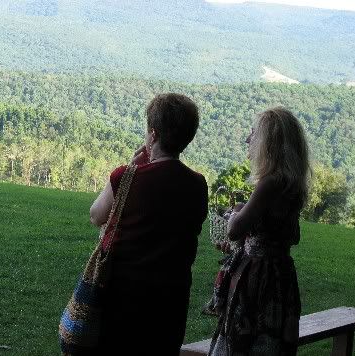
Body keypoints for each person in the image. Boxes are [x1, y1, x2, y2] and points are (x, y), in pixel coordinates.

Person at [89, 93, 208, 356]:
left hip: (123, 300)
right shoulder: (198, 185)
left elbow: (96, 215)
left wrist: (132, 168)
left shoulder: (127, 177)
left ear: (152, 135)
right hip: (171, 303)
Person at [209, 107, 310, 356]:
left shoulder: (269, 182)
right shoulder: (292, 185)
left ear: (269, 144)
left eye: (254, 135)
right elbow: (290, 235)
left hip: (257, 276)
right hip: (281, 274)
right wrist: (248, 212)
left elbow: (234, 230)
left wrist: (234, 214)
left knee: (245, 335)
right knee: (272, 338)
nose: (248, 139)